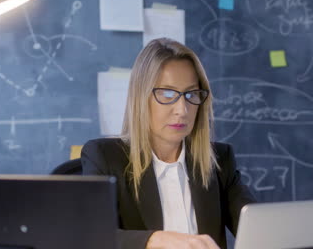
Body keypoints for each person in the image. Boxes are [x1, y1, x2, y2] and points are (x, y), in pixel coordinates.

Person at [81, 38, 255, 249]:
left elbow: (258, 228)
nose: (182, 109)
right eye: (167, 94)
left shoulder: (219, 160)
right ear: (141, 98)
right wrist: (154, 239)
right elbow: (90, 236)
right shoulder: (105, 157)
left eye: (191, 94)